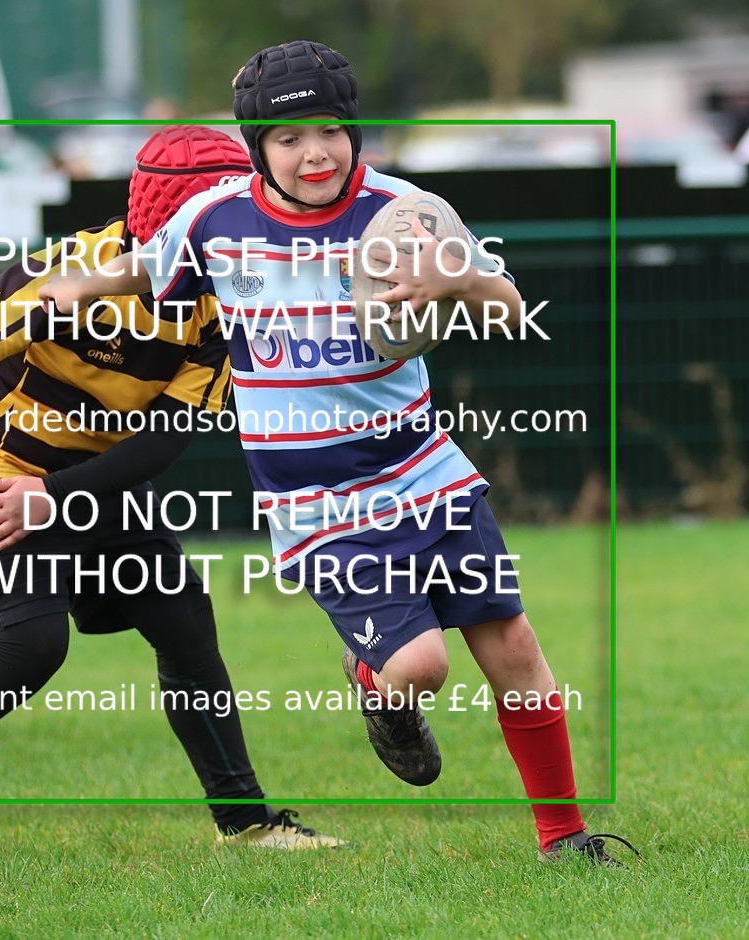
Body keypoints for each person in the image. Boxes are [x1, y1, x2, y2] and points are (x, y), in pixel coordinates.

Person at [38, 41, 638, 867]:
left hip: (426, 470)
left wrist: (455, 284)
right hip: (316, 503)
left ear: (352, 132)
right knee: (421, 667)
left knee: (515, 645)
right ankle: (379, 686)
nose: (313, 151)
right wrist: (81, 285)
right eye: (288, 138)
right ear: (258, 150)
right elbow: (150, 269)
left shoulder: (405, 210)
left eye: (328, 130)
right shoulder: (216, 219)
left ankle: (564, 837)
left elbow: (507, 308)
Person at [0, 125, 343, 865]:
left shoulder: (218, 308)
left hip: (82, 482)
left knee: (184, 619)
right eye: (220, 224)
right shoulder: (70, 271)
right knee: (33, 644)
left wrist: (58, 497)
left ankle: (246, 820)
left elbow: (165, 439)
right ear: (168, 224)